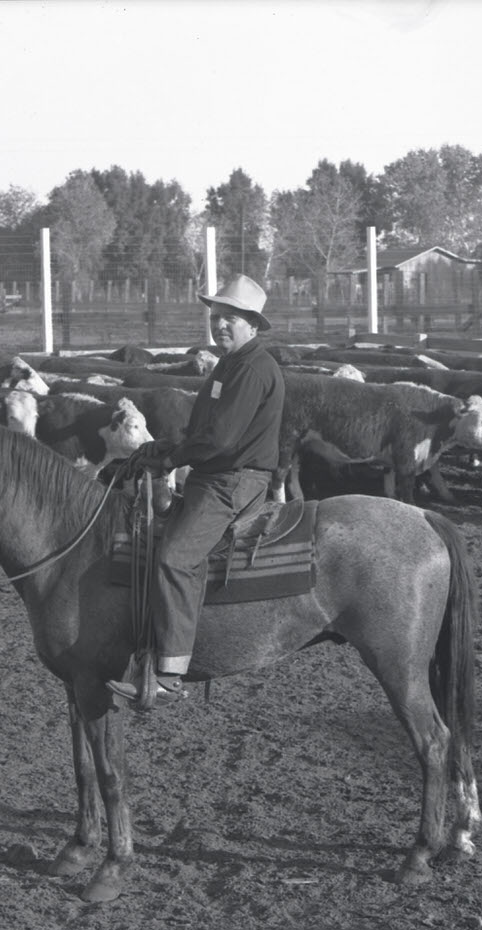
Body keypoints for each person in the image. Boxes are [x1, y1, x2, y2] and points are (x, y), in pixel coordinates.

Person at [106, 274, 284, 705]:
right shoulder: (230, 363)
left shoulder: (253, 368)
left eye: (231, 318)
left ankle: (168, 674)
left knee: (175, 557)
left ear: (253, 324)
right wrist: (165, 447)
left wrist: (170, 459)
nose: (220, 324)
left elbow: (221, 440)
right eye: (216, 316)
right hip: (216, 473)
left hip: (233, 482)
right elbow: (207, 430)